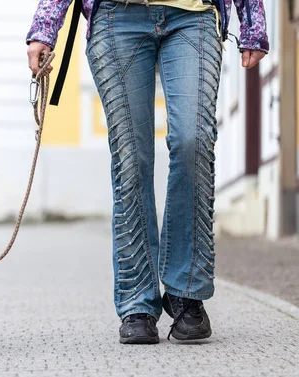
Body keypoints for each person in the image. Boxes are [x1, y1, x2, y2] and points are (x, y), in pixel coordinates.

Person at [26, 0, 268, 344]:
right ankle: (137, 302)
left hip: (194, 15)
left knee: (194, 141)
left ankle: (186, 292)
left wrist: (253, 20)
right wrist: (44, 29)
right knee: (131, 157)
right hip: (117, 18)